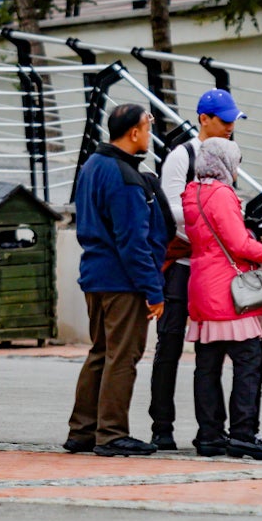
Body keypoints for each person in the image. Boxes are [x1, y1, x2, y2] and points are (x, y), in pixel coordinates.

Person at [65, 104, 169, 457]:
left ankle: (82, 431)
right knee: (122, 356)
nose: (149, 134)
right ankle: (111, 433)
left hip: (95, 275)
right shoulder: (125, 176)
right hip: (122, 281)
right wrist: (153, 289)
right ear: (134, 133)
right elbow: (132, 241)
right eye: (147, 128)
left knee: (101, 352)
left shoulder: (93, 165)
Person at [149, 88, 246, 451]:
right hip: (181, 263)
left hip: (213, 267)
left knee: (212, 349)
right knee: (169, 345)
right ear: (204, 119)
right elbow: (169, 208)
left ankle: (212, 428)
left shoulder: (226, 153)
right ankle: (162, 426)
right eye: (224, 120)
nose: (230, 126)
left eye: (234, 120)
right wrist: (207, 219)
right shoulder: (182, 156)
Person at [182, 138, 262, 460]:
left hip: (201, 286)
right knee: (248, 362)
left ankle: (209, 434)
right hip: (228, 290)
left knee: (207, 366)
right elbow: (237, 243)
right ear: (224, 163)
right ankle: (243, 434)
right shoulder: (222, 194)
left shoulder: (192, 192)